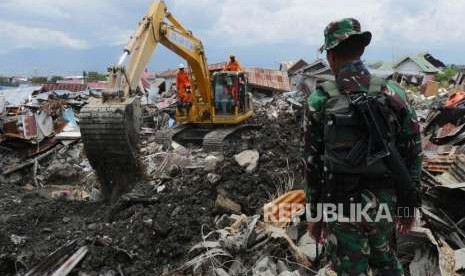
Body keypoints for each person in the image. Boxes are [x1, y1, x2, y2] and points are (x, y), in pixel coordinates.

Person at [303, 18, 422, 275]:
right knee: (387, 263)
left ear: (331, 56)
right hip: (384, 204)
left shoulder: (319, 100)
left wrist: (315, 214)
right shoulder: (394, 94)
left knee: (349, 270)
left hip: (339, 203)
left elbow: (311, 164)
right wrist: (406, 206)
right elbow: (413, 153)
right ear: (362, 51)